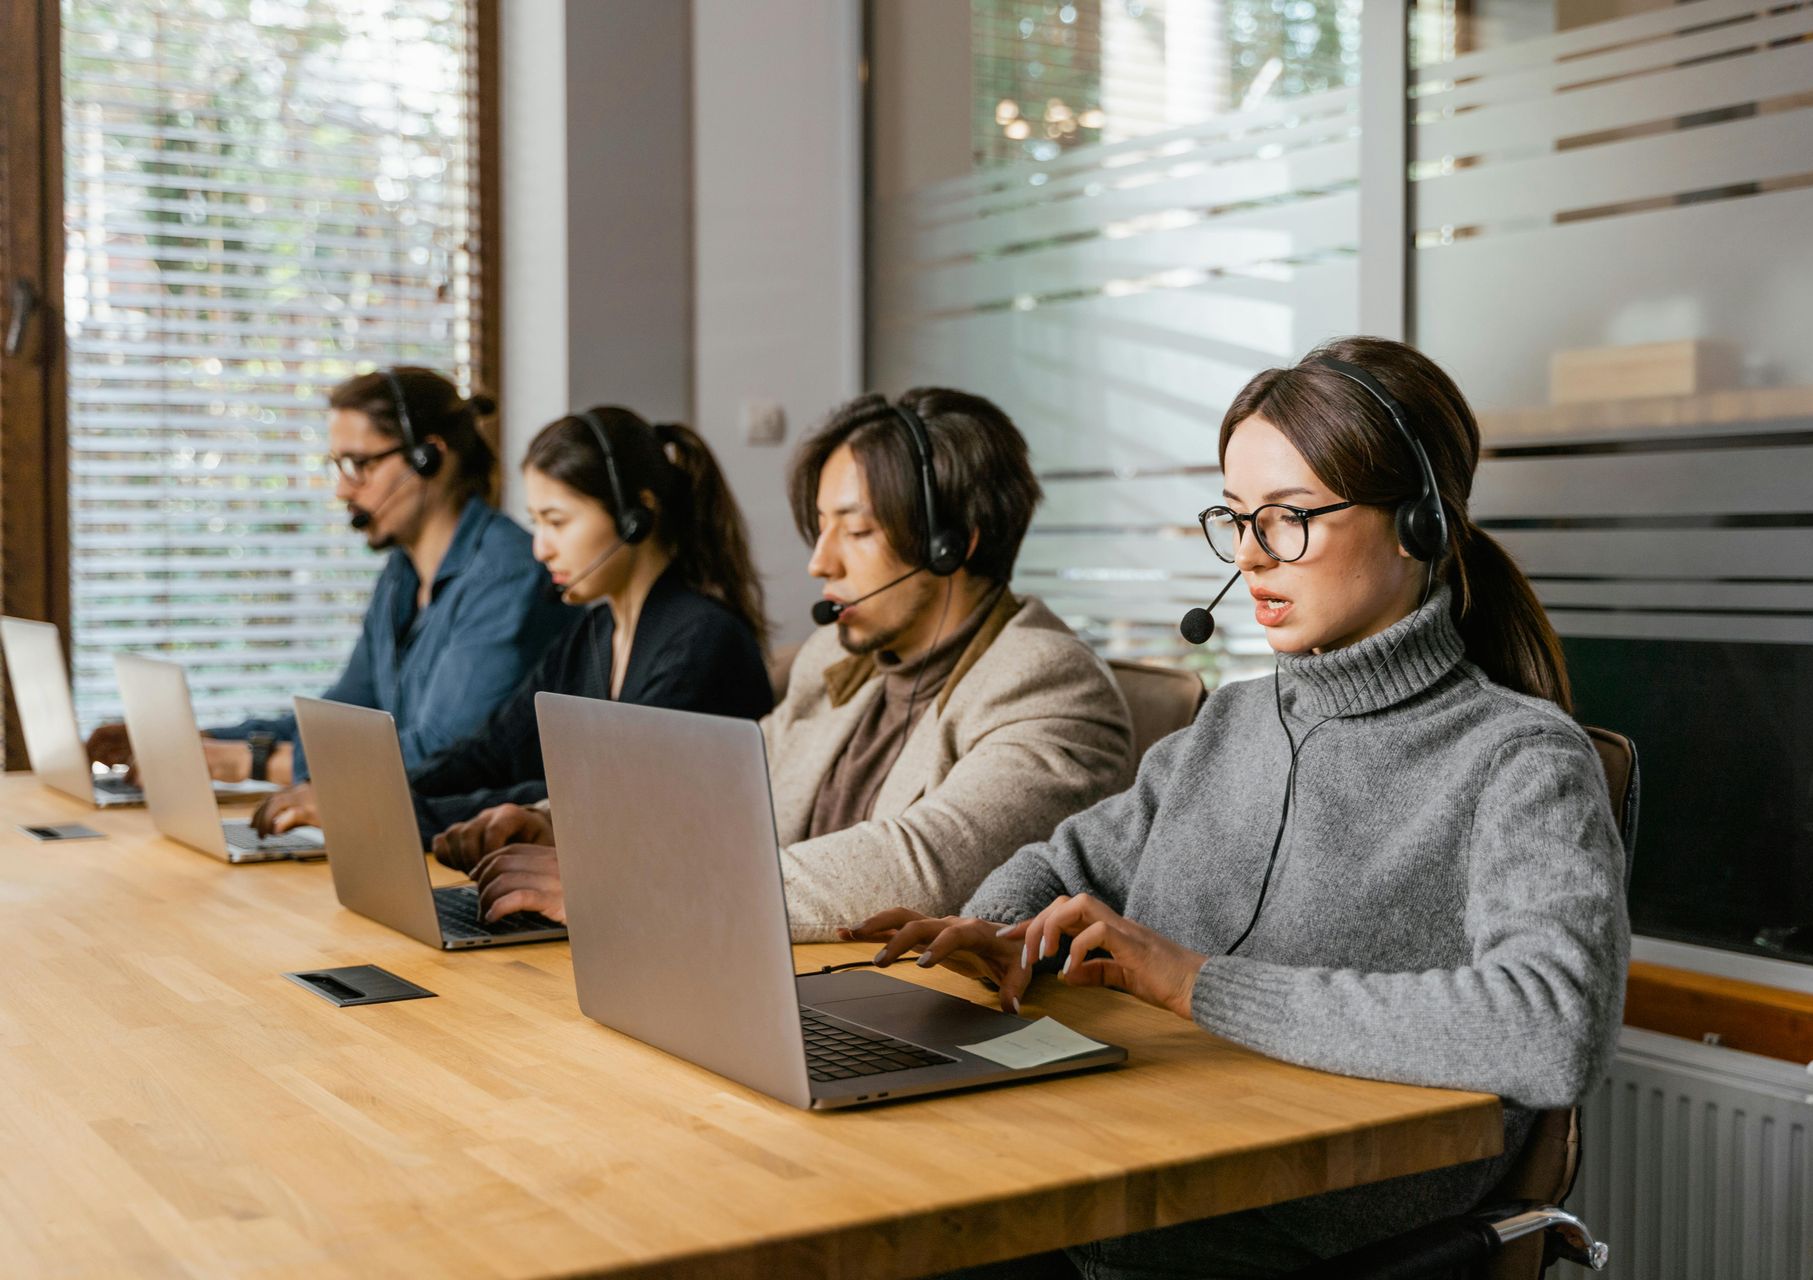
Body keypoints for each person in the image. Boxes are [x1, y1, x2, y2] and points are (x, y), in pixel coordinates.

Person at [849, 338, 1631, 1275]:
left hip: (1273, 1236)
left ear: (1417, 524)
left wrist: (1196, 983)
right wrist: (1001, 929)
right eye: (1238, 519)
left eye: (1290, 519)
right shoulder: (1231, 724)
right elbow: (1066, 862)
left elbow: (1552, 1026)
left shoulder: (1520, 758)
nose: (1252, 557)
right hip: (1118, 1183)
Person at [435, 388, 1136, 938]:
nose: (818, 562)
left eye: (855, 531)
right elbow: (716, 781)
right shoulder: (844, 661)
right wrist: (556, 820)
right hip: (793, 983)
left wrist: (626, 890)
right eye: (822, 527)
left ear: (954, 545)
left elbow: (924, 867)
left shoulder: (1046, 683)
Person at [85, 367, 572, 833]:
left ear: (429, 457)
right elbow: (345, 717)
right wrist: (208, 738)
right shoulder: (401, 577)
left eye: (360, 465)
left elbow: (438, 752)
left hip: (458, 844)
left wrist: (249, 762)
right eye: (338, 466)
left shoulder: (509, 577)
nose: (342, 489)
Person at [292, 407, 774, 842]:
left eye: (558, 522)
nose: (540, 548)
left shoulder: (703, 641)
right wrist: (365, 795)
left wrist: (402, 813)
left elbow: (602, 796)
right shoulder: (593, 633)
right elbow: (493, 749)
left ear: (635, 517)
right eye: (536, 523)